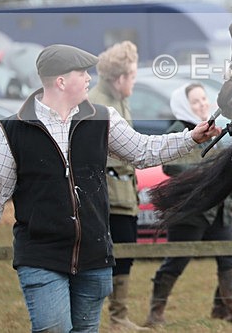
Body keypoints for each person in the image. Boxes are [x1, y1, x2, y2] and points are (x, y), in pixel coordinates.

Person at [0, 44, 220, 333]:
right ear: (60, 81)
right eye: (82, 73)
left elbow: (144, 150)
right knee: (53, 329)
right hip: (41, 254)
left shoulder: (103, 118)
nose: (88, 79)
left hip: (94, 255)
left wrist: (192, 137)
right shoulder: (12, 131)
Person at [144, 83, 232, 328]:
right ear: (184, 105)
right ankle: (156, 312)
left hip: (220, 209)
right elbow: (169, 165)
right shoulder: (179, 130)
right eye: (195, 101)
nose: (202, 104)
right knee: (176, 260)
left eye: (204, 99)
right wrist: (207, 173)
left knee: (229, 258)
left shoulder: (215, 129)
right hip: (190, 211)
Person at [88, 41, 146, 331]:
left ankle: (119, 317)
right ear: (119, 77)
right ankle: (109, 318)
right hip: (107, 196)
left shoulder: (119, 100)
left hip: (125, 195)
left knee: (126, 254)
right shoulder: (97, 103)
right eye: (132, 76)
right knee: (107, 257)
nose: (134, 81)